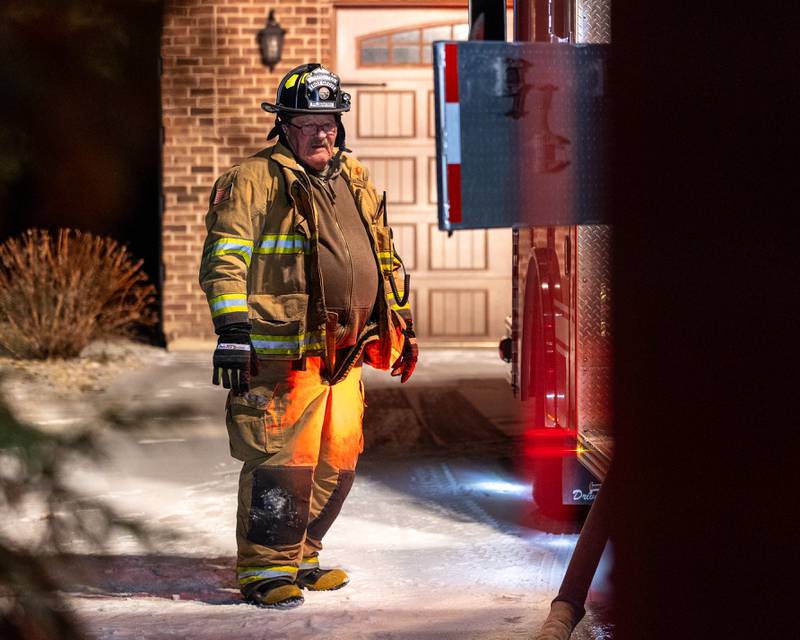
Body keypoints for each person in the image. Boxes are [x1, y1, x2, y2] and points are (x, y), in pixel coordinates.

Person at [198, 63, 417, 609]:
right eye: (309, 122)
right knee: (280, 462)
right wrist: (231, 328)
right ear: (284, 126)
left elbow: (384, 254)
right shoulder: (251, 180)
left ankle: (303, 553)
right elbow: (225, 257)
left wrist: (399, 324)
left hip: (345, 352)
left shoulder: (354, 176)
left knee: (338, 461)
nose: (323, 133)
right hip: (283, 350)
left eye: (330, 121)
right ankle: (265, 569)